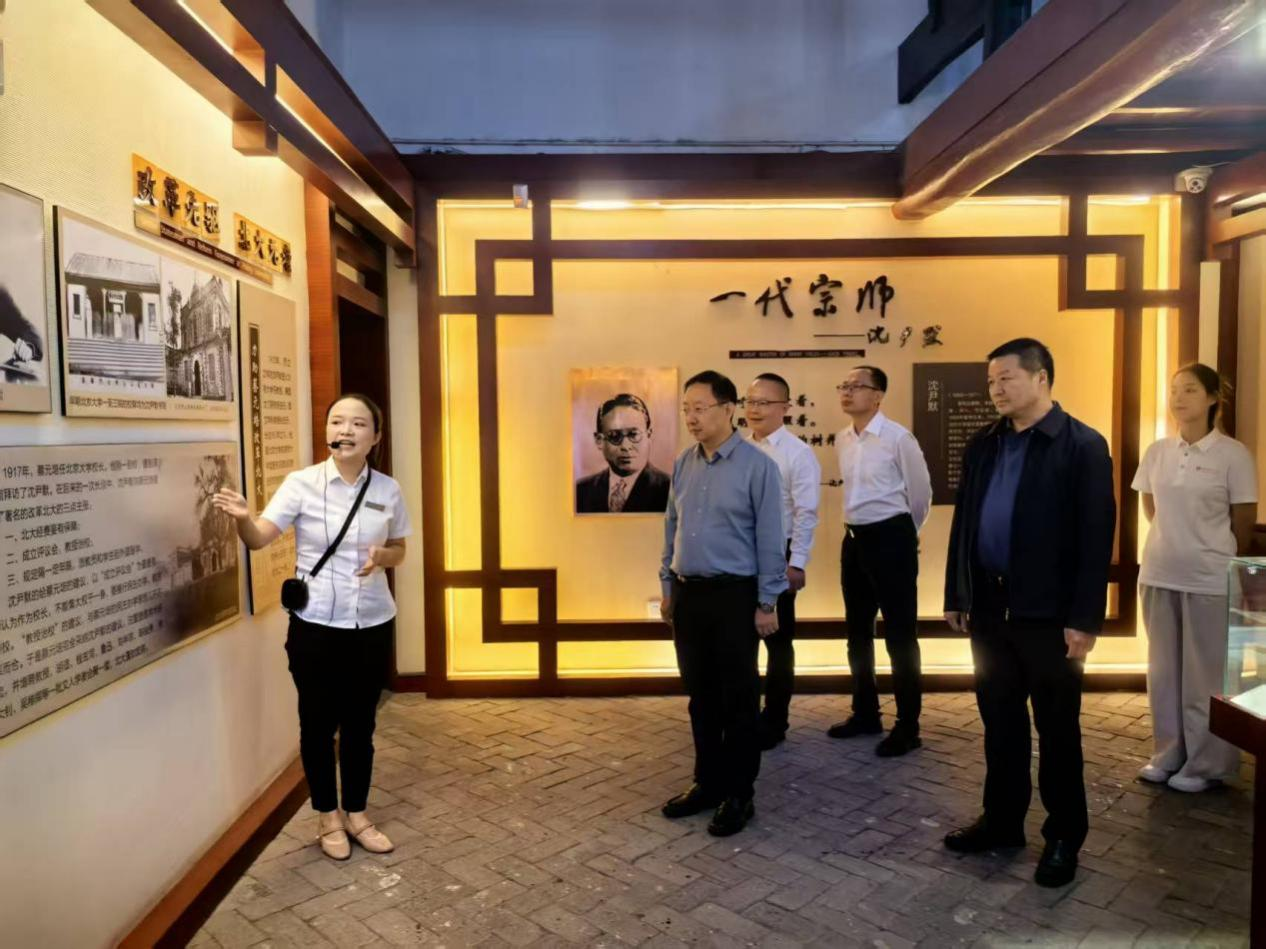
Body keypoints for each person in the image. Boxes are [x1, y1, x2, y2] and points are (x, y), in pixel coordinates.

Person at [942, 338, 1116, 889]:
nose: (996, 389)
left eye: (1007, 378)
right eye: (991, 381)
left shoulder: (1082, 445)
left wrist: (1085, 619)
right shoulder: (984, 443)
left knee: (1058, 729)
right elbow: (965, 523)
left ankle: (1063, 837)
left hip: (1050, 615)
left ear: (1041, 378)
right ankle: (1002, 821)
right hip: (991, 609)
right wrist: (958, 593)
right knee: (1000, 722)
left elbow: (1096, 537)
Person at [212, 394, 411, 861]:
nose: (346, 430)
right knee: (317, 726)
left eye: (358, 423)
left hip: (372, 623)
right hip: (316, 625)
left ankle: (357, 813)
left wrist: (382, 556)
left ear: (375, 436)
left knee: (360, 725)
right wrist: (243, 520)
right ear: (326, 432)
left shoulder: (388, 489)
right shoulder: (301, 484)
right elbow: (260, 538)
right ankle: (327, 816)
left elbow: (400, 549)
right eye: (337, 421)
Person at [659, 370, 787, 837]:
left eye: (700, 408)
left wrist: (767, 602)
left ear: (728, 409)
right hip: (689, 594)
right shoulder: (683, 463)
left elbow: (771, 538)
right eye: (686, 410)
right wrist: (667, 585)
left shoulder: (758, 467)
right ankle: (707, 783)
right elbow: (671, 527)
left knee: (738, 700)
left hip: (735, 595)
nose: (691, 418)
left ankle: (739, 793)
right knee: (701, 697)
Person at [1133, 363, 1258, 792]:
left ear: (1212, 398)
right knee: (1163, 672)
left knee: (1206, 677)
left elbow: (1243, 522)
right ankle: (1169, 753)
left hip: (1209, 578)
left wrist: (1209, 550)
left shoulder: (1233, 455)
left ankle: (1206, 764)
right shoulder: (1158, 452)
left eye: (1189, 390)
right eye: (1174, 390)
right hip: (1159, 572)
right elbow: (1151, 507)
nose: (1178, 398)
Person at [828, 365, 931, 757]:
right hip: (854, 539)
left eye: (856, 386)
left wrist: (904, 534)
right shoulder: (842, 439)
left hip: (891, 538)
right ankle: (866, 712)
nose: (847, 391)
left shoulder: (898, 438)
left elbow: (920, 494)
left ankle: (908, 726)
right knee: (857, 632)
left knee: (900, 636)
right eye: (844, 385)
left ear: (877, 395)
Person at [743, 373, 821, 750]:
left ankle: (775, 721)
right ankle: (744, 716)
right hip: (740, 553)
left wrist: (797, 563)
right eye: (750, 402)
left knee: (777, 640)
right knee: (742, 639)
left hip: (779, 553)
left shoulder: (797, 453)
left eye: (764, 402)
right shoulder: (739, 449)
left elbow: (806, 513)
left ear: (785, 408)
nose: (755, 409)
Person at [576, 392, 671, 513]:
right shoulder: (581, 491)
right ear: (599, 440)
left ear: (649, 436)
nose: (625, 446)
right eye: (614, 436)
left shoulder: (670, 489)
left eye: (634, 434)